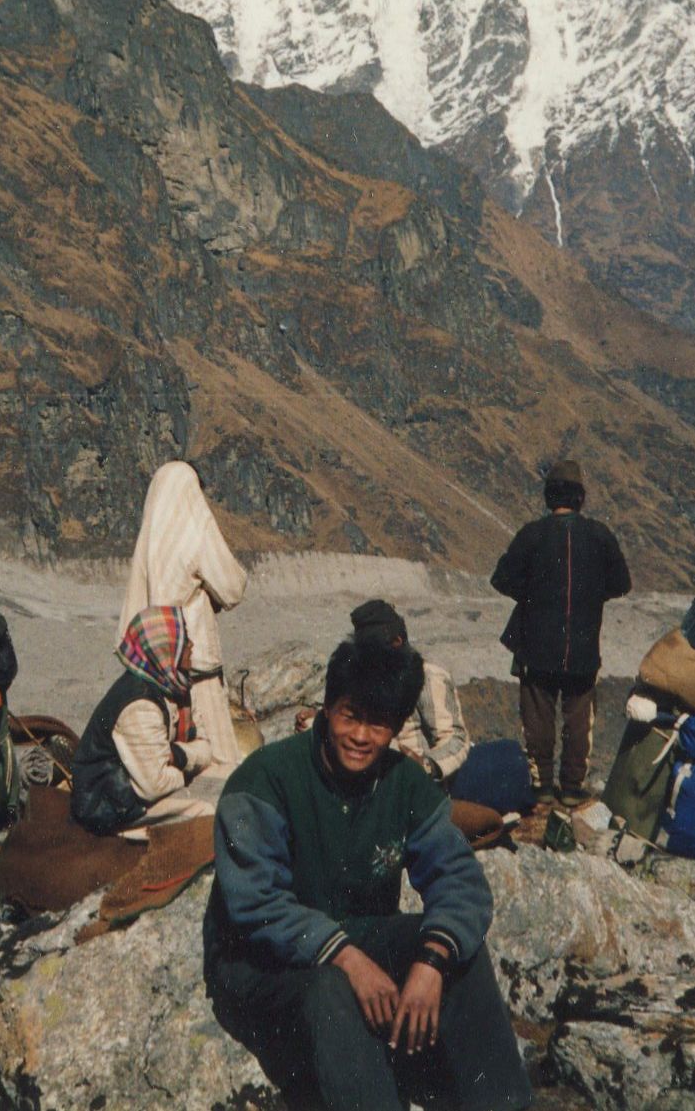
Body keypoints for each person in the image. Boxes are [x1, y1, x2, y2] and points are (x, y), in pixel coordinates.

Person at [205, 637, 531, 1111]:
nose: (360, 736)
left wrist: (433, 960)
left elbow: (459, 879)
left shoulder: (405, 783)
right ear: (327, 708)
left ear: (397, 727)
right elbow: (255, 904)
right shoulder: (265, 779)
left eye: (378, 723)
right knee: (332, 989)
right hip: (257, 967)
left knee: (455, 950)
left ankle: (504, 1104)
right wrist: (348, 958)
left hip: (351, 939)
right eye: (349, 715)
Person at [491, 460, 631, 805]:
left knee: (537, 717)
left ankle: (541, 787)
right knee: (579, 719)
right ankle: (571, 788)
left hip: (536, 645)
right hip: (583, 647)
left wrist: (532, 595)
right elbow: (621, 584)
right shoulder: (600, 536)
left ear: (548, 497)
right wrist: (591, 597)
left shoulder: (532, 535)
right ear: (581, 498)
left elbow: (502, 579)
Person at [120, 462, 250, 768]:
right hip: (194, 665)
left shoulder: (149, 534)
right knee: (214, 759)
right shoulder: (194, 527)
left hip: (149, 664)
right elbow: (232, 587)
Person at [70, 605, 224, 835]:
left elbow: (205, 748)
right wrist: (188, 765)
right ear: (164, 648)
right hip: (115, 803)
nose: (191, 645)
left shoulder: (175, 685)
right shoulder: (139, 705)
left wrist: (177, 755)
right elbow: (155, 785)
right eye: (184, 640)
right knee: (207, 812)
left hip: (152, 784)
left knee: (236, 777)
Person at [348, 600, 471, 785]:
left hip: (416, 784)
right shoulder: (364, 675)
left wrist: (426, 766)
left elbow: (455, 739)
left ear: (396, 642)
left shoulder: (429, 676)